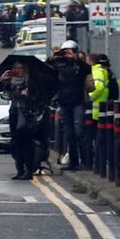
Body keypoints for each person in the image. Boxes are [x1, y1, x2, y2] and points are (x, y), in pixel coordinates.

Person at [0, 61, 45, 180]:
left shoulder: (31, 81)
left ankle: (28, 170)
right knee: (16, 144)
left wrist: (26, 95)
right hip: (14, 114)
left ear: (24, 69)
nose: (16, 70)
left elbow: (38, 97)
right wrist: (2, 79)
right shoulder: (10, 81)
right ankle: (19, 170)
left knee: (27, 144)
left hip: (27, 115)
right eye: (14, 68)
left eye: (19, 68)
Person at [50, 40, 87, 171]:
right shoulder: (59, 65)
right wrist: (52, 59)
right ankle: (73, 162)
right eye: (65, 51)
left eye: (70, 51)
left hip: (78, 101)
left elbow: (87, 70)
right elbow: (45, 70)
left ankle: (85, 162)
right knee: (69, 134)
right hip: (65, 102)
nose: (67, 54)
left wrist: (76, 59)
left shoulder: (79, 65)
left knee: (79, 132)